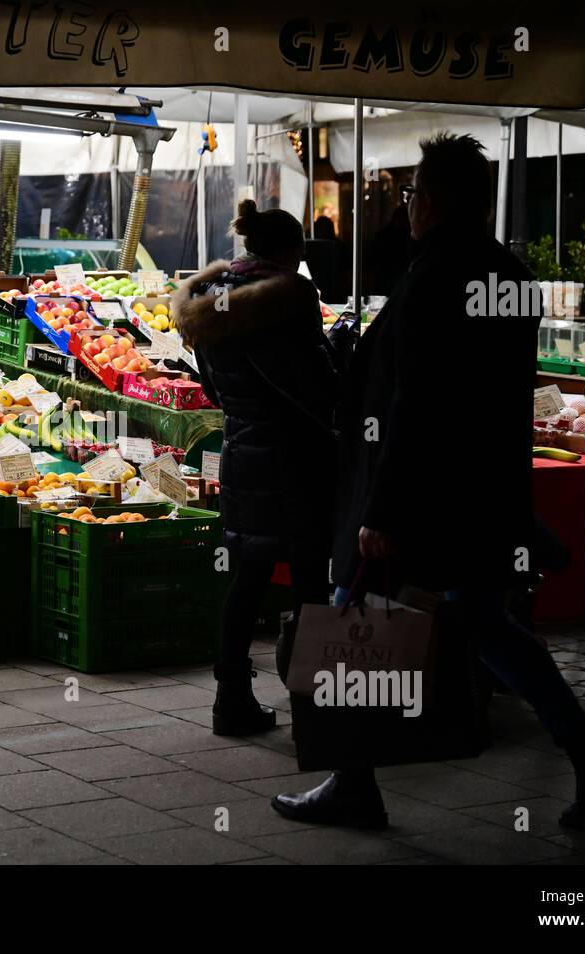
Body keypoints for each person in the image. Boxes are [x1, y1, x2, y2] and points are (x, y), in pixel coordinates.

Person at [273, 133, 585, 830]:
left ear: (428, 203)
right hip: (485, 489)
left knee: (364, 629)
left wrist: (381, 509)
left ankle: (355, 779)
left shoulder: (436, 275)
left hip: (425, 495)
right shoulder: (506, 273)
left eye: (410, 196)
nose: (407, 209)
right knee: (486, 623)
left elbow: (420, 400)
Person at [173, 201, 340, 737]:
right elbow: (314, 383)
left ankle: (231, 699)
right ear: (292, 250)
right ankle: (314, 711)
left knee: (248, 576)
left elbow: (216, 386)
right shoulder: (290, 297)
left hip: (242, 452)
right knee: (313, 581)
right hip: (297, 457)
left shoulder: (210, 298)